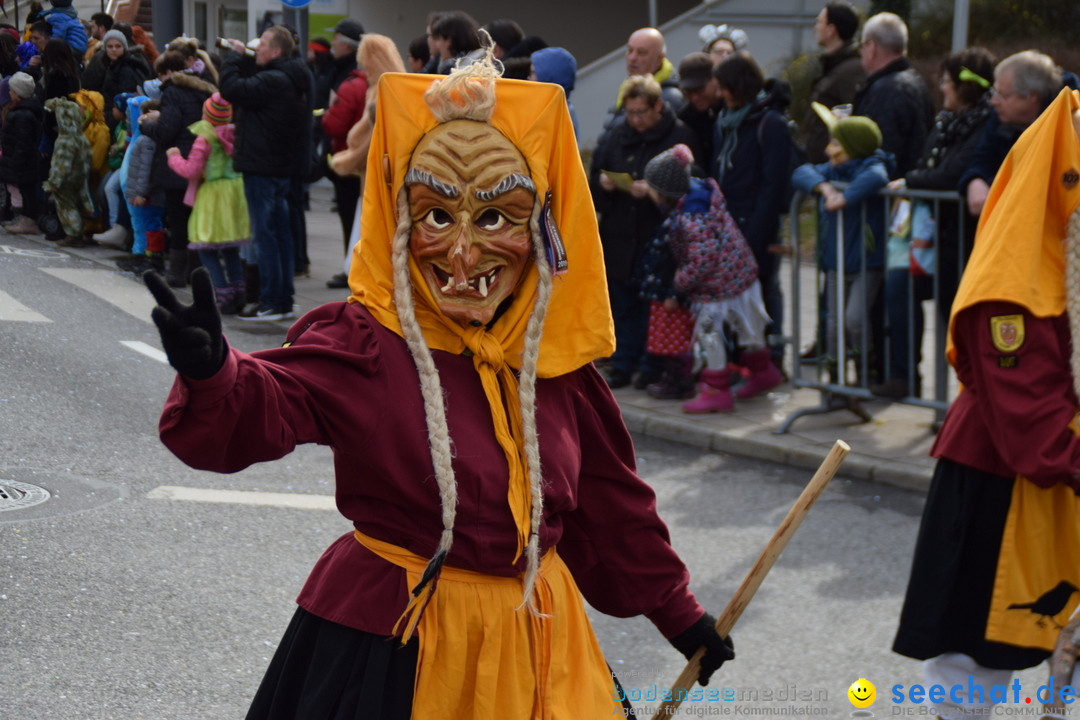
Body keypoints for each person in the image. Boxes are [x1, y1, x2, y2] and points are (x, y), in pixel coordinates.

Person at [144, 54, 732, 719]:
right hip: (398, 650)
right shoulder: (368, 341)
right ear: (399, 223)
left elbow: (610, 507)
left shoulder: (552, 362)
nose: (461, 253)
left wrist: (680, 616)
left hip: (538, 645)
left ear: (541, 228)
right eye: (434, 215)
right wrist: (214, 371)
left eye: (494, 218)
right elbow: (268, 403)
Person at [892, 88, 1080, 720]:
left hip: (1056, 480)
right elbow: (1027, 411)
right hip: (1003, 480)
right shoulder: (1016, 278)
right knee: (977, 649)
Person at [872, 48, 996, 399]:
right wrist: (919, 177)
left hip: (964, 241)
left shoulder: (987, 125)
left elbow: (951, 174)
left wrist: (912, 180)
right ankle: (904, 375)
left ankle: (959, 402)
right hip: (930, 235)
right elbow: (930, 165)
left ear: (963, 87)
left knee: (957, 320)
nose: (941, 89)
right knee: (898, 286)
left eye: (945, 82)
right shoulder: (945, 121)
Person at [643, 144, 777, 410]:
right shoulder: (701, 194)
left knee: (709, 334)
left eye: (651, 187)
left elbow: (701, 261)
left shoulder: (691, 219)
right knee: (748, 326)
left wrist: (679, 283)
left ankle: (717, 391)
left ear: (664, 192)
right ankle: (763, 372)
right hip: (741, 273)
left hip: (714, 289)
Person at [590, 74, 701, 389]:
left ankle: (651, 367)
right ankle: (622, 364)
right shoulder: (617, 134)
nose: (635, 119)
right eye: (631, 113)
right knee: (622, 303)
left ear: (658, 107)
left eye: (641, 112)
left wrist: (655, 192)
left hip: (659, 236)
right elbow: (593, 176)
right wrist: (604, 183)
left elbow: (691, 187)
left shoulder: (680, 137)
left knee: (652, 306)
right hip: (621, 232)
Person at [220, 25, 313, 322]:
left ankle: (273, 301)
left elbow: (232, 89)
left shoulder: (274, 80)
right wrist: (247, 59)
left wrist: (233, 59)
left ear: (275, 51)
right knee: (281, 235)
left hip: (262, 167)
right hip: (279, 166)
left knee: (266, 237)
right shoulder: (288, 76)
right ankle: (283, 299)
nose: (255, 48)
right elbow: (252, 84)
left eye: (261, 45)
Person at [791, 108, 891, 384]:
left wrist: (846, 199)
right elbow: (801, 172)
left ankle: (864, 373)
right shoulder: (835, 169)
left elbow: (877, 177)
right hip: (836, 261)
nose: (828, 150)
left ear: (853, 147)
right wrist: (826, 189)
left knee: (855, 319)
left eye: (836, 144)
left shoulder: (870, 167)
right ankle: (835, 379)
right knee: (833, 324)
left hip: (865, 263)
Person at [711, 53, 793, 373]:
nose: (719, 94)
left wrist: (755, 236)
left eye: (724, 87)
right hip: (727, 223)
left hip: (756, 227)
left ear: (739, 85)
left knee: (764, 291)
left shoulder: (771, 124)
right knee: (730, 295)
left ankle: (770, 360)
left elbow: (772, 187)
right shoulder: (725, 121)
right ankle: (739, 363)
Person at [959, 50, 1070, 218]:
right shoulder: (1002, 117)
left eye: (1003, 95)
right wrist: (974, 180)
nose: (993, 101)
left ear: (1032, 96)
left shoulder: (1072, 118)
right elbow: (983, 155)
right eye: (994, 92)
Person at [166, 93, 249, 314]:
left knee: (207, 247)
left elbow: (191, 170)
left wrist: (174, 157)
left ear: (207, 114)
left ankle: (223, 292)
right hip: (235, 194)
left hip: (212, 196)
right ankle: (239, 290)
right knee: (230, 246)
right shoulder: (234, 134)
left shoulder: (205, 137)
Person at [141, 49, 216, 288]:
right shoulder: (205, 87)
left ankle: (176, 273)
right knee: (196, 218)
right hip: (203, 160)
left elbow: (167, 131)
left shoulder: (173, 92)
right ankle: (198, 272)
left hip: (178, 163)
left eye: (161, 74)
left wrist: (147, 126)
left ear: (170, 72)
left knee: (178, 218)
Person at [852, 12, 933, 179]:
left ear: (872, 47)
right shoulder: (916, 81)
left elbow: (881, 151)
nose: (861, 53)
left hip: (884, 193)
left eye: (862, 46)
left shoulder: (886, 90)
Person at [320, 20, 368, 290]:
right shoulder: (353, 76)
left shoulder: (351, 81)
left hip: (350, 159)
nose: (332, 44)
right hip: (354, 159)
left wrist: (325, 118)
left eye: (336, 38)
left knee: (350, 216)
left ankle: (352, 267)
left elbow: (335, 123)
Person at [800, 1, 865, 165]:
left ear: (831, 30)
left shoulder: (851, 70)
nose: (815, 27)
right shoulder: (835, 67)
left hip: (833, 168)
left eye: (819, 22)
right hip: (821, 165)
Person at [116, 97, 166, 270]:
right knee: (145, 224)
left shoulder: (147, 141)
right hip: (141, 193)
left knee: (149, 225)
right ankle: (144, 256)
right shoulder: (146, 139)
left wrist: (139, 193)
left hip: (145, 195)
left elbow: (144, 169)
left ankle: (150, 258)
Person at [43, 97, 94, 247]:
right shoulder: (81, 137)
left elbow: (61, 164)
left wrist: (53, 181)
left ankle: (73, 234)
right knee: (77, 204)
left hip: (66, 179)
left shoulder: (65, 139)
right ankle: (78, 233)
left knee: (66, 206)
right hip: (80, 176)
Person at [0, 72, 43, 235]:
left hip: (23, 160)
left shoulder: (23, 114)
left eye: (11, 90)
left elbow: (23, 141)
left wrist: (16, 160)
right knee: (24, 189)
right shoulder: (20, 111)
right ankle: (23, 218)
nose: (9, 93)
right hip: (19, 159)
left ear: (18, 93)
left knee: (27, 190)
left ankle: (28, 220)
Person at [676, 52, 722, 167]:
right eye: (688, 92)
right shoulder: (685, 119)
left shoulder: (732, 108)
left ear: (715, 80)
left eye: (700, 89)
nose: (695, 97)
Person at [98, 28, 150, 129]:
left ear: (124, 48)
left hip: (120, 120)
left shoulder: (125, 70)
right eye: (110, 46)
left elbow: (125, 99)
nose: (114, 50)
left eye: (118, 46)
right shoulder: (111, 66)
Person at [528, 47, 578, 137]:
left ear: (547, 78)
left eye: (533, 73)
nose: (529, 79)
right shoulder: (559, 111)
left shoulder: (555, 119)